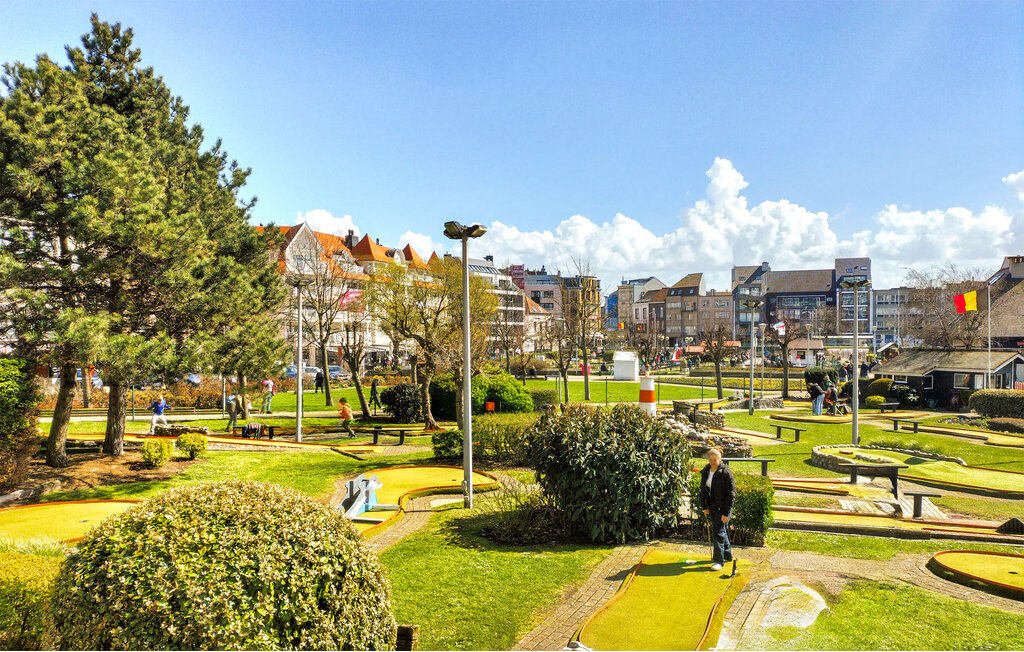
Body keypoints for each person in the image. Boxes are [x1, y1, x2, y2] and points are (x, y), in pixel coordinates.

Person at [699, 448, 735, 572]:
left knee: (718, 533)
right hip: (712, 506)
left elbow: (731, 494)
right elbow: (703, 489)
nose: (713, 462)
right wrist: (704, 506)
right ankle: (727, 555)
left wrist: (726, 513)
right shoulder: (706, 470)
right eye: (711, 460)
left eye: (715, 460)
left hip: (723, 507)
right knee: (722, 531)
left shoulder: (726, 472)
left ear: (720, 459)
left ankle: (718, 561)